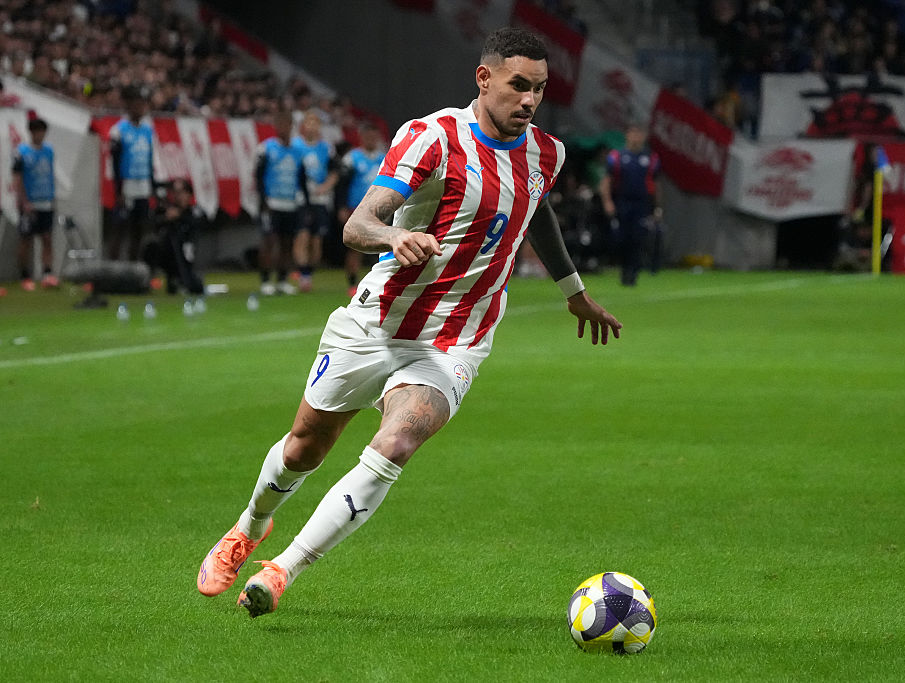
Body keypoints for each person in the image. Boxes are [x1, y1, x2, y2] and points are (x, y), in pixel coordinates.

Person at [195, 26, 622, 619]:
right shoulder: (432, 138)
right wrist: (396, 234)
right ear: (484, 78)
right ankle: (250, 526)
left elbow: (535, 208)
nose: (529, 101)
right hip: (378, 322)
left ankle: (281, 571)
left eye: (540, 90)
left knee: (397, 441)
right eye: (518, 86)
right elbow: (357, 224)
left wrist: (572, 291)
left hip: (456, 340)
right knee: (304, 449)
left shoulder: (546, 153)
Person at [599, 123, 662, 286]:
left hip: (641, 205)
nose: (636, 137)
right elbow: (607, 180)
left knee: (638, 239)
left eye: (639, 133)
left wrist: (657, 207)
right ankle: (623, 269)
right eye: (633, 133)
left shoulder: (651, 158)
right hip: (622, 202)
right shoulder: (617, 156)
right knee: (621, 238)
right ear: (627, 135)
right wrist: (607, 201)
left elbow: (656, 184)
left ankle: (633, 273)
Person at [255, 109, 306, 296]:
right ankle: (266, 280)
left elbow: (302, 179)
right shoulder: (266, 148)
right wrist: (263, 201)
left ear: (291, 127)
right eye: (280, 124)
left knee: (287, 243)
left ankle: (283, 280)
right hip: (272, 203)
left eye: (286, 124)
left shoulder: (297, 152)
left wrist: (304, 203)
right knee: (268, 241)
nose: (283, 128)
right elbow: (258, 177)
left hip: (290, 203)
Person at [338, 120, 388, 297]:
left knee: (382, 245)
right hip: (356, 208)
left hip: (381, 209)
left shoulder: (385, 157)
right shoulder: (352, 158)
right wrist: (342, 206)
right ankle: (352, 282)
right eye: (368, 136)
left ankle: (378, 282)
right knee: (355, 247)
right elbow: (342, 185)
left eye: (374, 136)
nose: (371, 139)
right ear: (361, 137)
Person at [292, 111, 339, 292]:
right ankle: (303, 276)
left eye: (315, 122)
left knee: (317, 240)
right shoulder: (295, 146)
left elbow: (335, 172)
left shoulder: (326, 148)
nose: (312, 126)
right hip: (301, 198)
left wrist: (325, 187)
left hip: (320, 198)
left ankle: (308, 272)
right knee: (302, 235)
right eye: (308, 122)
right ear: (303, 126)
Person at [107, 86, 155, 261]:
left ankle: (134, 266)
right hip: (126, 185)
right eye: (137, 104)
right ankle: (113, 268)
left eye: (143, 104)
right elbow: (115, 162)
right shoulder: (119, 130)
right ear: (129, 105)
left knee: (139, 228)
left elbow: (150, 159)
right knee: (119, 227)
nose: (141, 108)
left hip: (142, 184)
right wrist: (118, 190)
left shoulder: (148, 129)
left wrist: (152, 185)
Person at [13, 117, 58, 291]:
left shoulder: (49, 151)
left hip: (46, 200)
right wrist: (24, 201)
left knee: (47, 237)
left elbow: (50, 174)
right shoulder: (21, 152)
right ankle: (25, 276)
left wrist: (53, 197)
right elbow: (17, 178)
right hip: (29, 203)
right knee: (26, 239)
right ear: (31, 132)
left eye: (42, 131)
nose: (40, 134)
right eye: (36, 131)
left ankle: (47, 274)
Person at [143, 179, 206, 296]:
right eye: (175, 193)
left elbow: (197, 223)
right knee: (152, 246)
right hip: (168, 256)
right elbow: (152, 223)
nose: (178, 196)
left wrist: (180, 216)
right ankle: (149, 280)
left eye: (181, 192)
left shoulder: (195, 210)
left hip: (187, 254)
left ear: (189, 194)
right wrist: (166, 218)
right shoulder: (167, 210)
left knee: (195, 284)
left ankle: (184, 281)